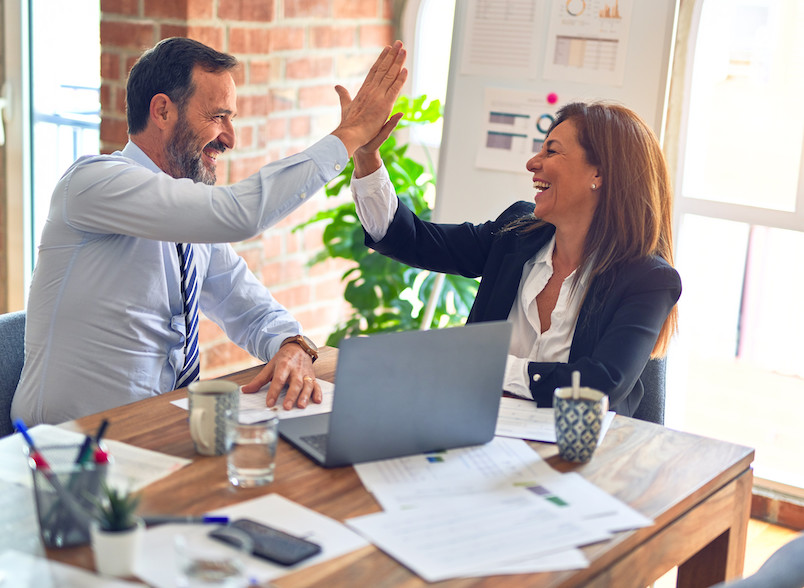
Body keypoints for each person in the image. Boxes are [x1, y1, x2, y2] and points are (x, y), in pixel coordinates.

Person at [12, 37, 407, 425]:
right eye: (219, 116)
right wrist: (349, 135)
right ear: (163, 111)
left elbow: (249, 308)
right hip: (64, 451)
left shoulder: (189, 221)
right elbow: (240, 214)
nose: (230, 138)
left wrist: (292, 344)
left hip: (156, 434)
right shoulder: (93, 183)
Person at [349, 101, 681, 416]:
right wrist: (367, 157)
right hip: (478, 433)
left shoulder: (648, 280)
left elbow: (599, 385)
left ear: (599, 174)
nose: (532, 163)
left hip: (581, 459)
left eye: (551, 151)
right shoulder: (516, 234)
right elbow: (412, 240)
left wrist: (487, 366)